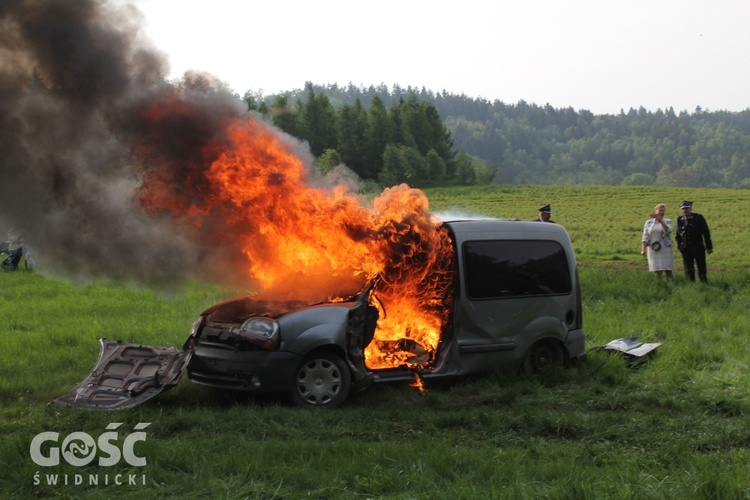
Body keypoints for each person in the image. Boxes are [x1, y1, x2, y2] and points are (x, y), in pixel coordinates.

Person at [675, 201, 713, 283]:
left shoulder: (698, 218)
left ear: (690, 208)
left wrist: (709, 247)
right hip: (686, 248)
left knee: (701, 267)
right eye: (683, 208)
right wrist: (680, 246)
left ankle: (704, 283)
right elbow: (678, 235)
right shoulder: (679, 220)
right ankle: (691, 284)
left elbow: (706, 233)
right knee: (688, 268)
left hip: (698, 247)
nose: (685, 210)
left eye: (687, 208)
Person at [640, 203, 674, 280]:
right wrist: (643, 249)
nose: (661, 212)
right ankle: (659, 283)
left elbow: (668, 231)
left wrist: (661, 221)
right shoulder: (649, 222)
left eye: (663, 211)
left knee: (667, 268)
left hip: (665, 248)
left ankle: (672, 282)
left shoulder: (667, 221)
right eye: (660, 210)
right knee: (657, 269)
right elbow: (645, 236)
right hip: (653, 248)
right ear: (656, 211)